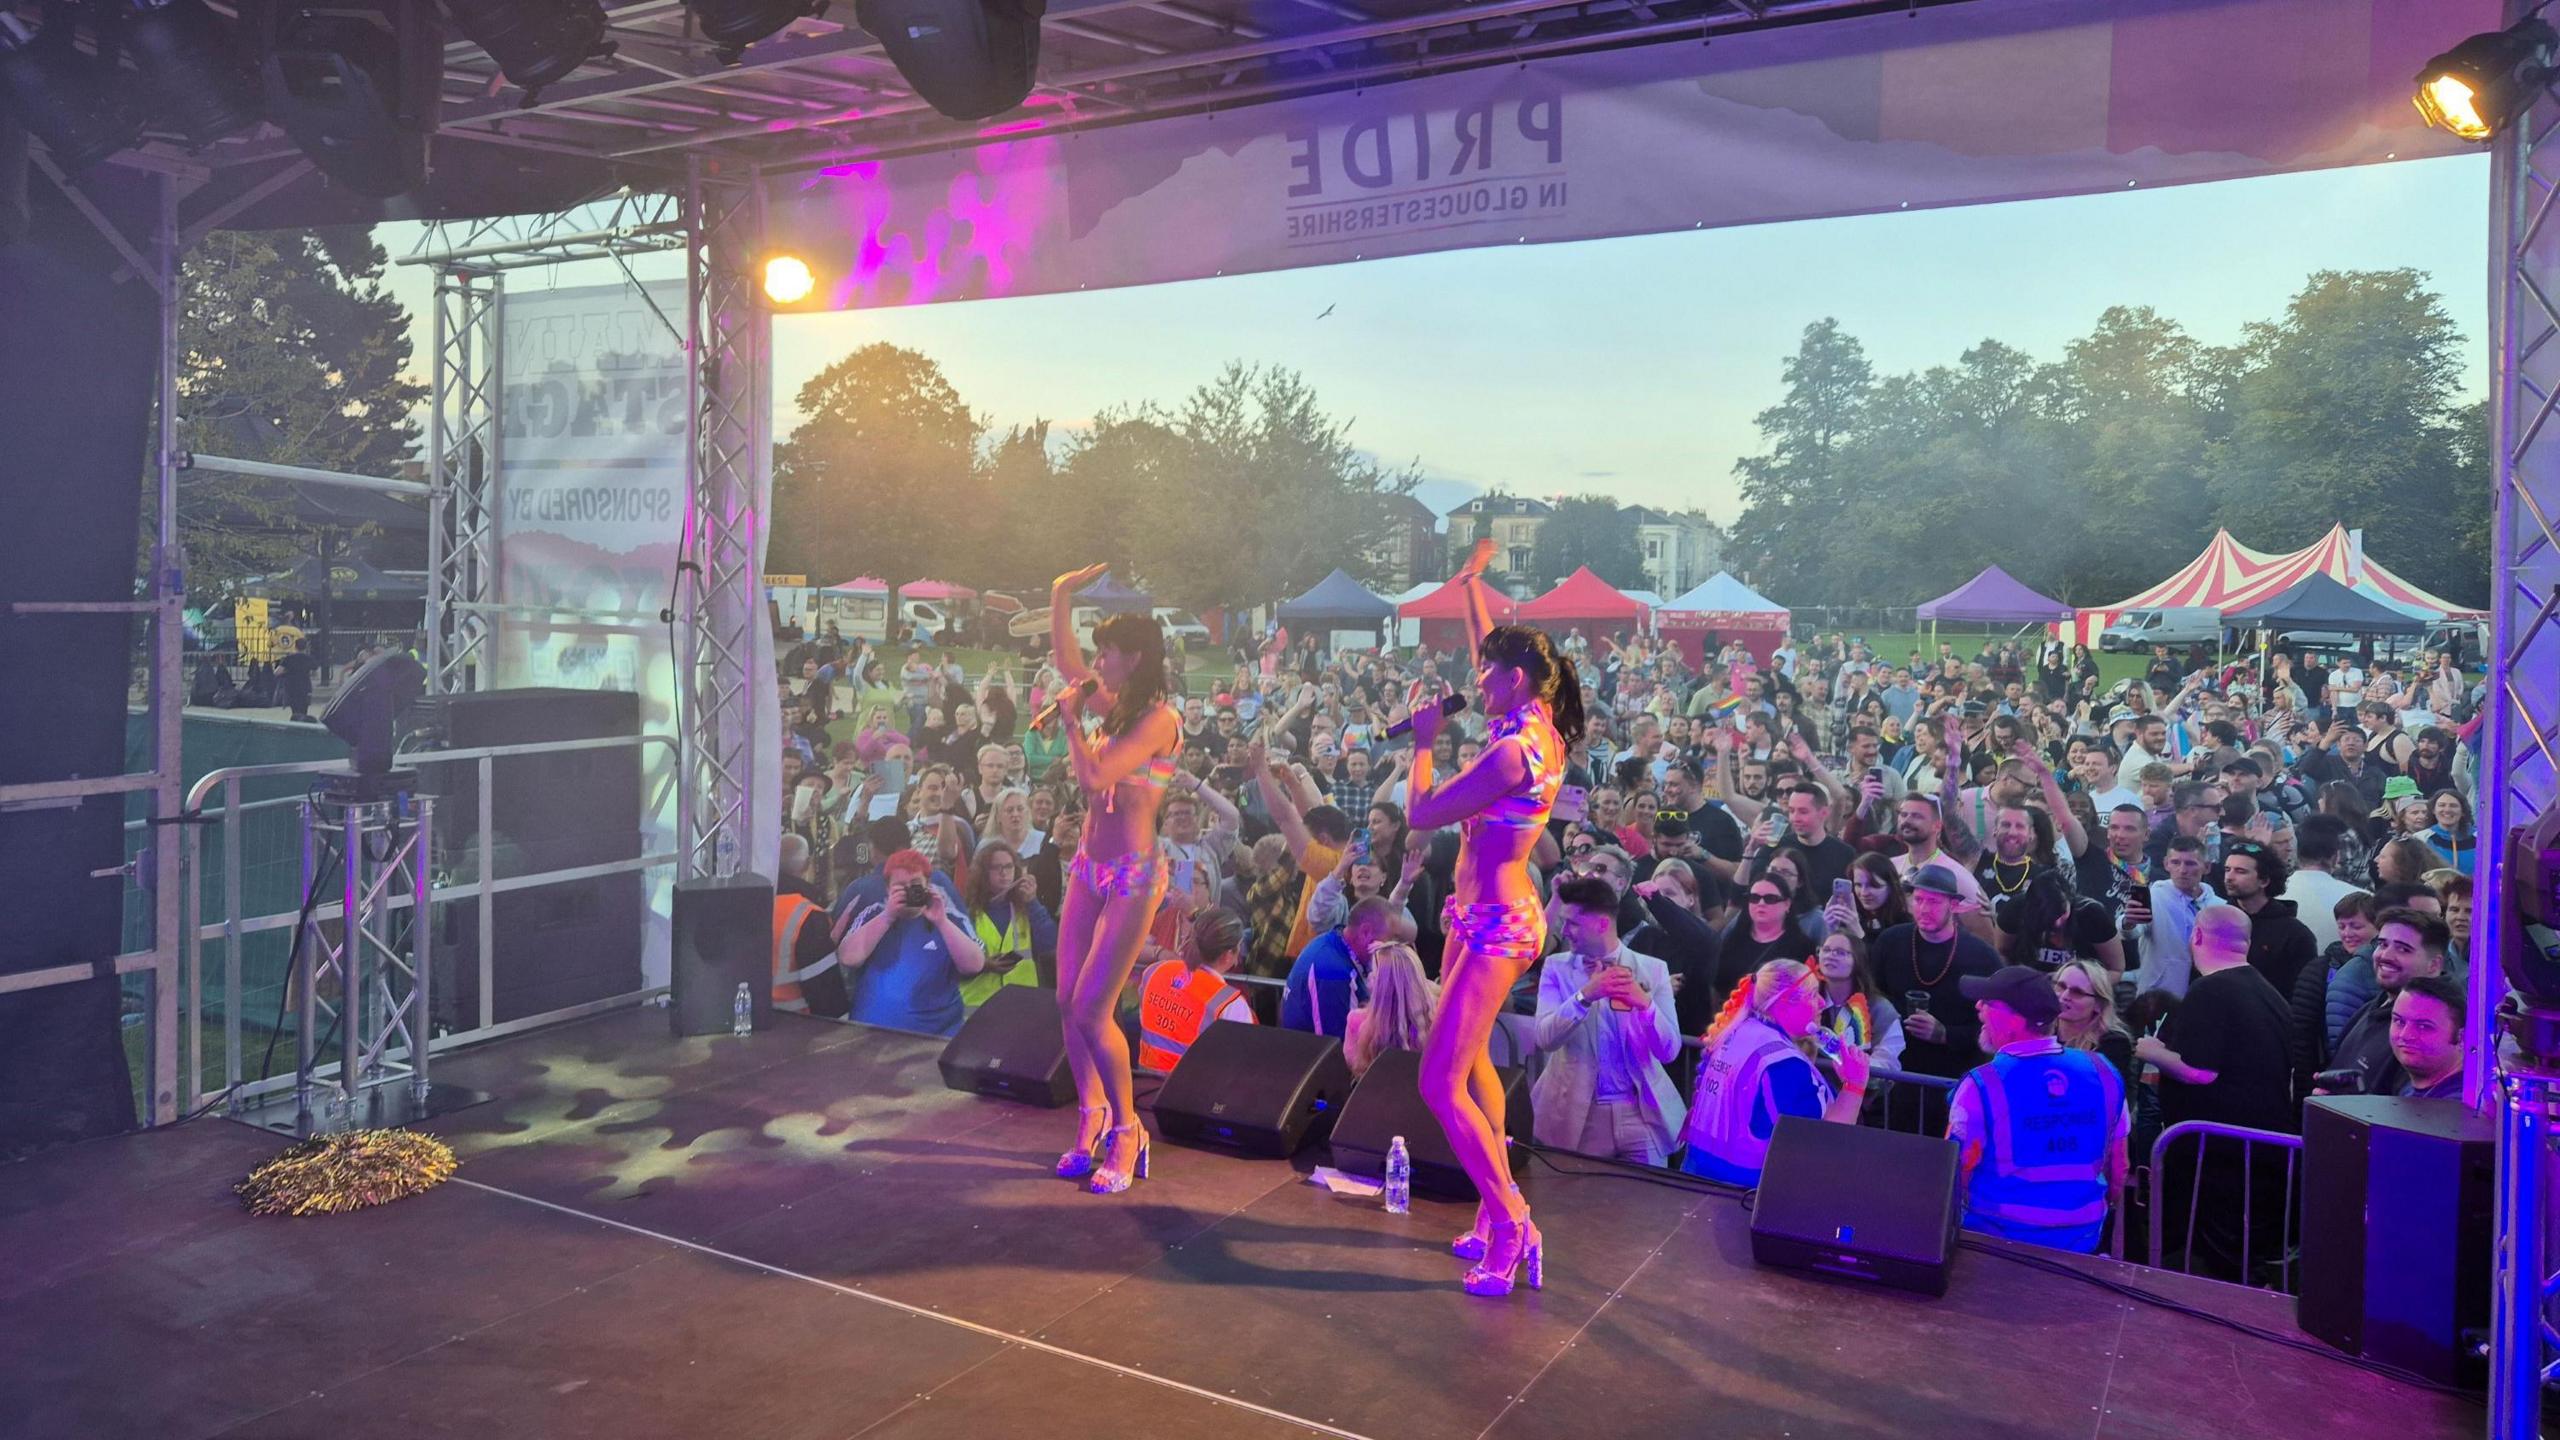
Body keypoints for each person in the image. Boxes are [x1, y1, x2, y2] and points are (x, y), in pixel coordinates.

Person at [1405, 548, 1579, 1299]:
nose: (1473, 682)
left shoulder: (1511, 753)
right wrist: (1474, 588)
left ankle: (1512, 1224)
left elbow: (1420, 814)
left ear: (1512, 680)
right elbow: (1501, 644)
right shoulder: (1538, 722)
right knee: (1475, 1066)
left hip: (1495, 927)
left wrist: (1420, 744)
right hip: (1487, 914)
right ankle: (1492, 1204)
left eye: (1484, 672)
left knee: (1439, 1081)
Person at [1045, 565, 1185, 1195]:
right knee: (1064, 1001)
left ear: (1133, 658)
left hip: (1132, 876)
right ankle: (1090, 1114)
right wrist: (1059, 595)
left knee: (1092, 1006)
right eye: (1097, 649)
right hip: (1088, 865)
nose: (1096, 660)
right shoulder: (1116, 701)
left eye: (1107, 651)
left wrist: (1072, 723)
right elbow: (1070, 664)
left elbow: (1096, 778)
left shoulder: (1157, 720)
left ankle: (1128, 1128)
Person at [2134, 905, 2296, 1283]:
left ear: (2197, 936)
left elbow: (2201, 1072)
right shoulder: (2268, 992)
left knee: (2217, 1262)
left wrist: (2152, 1051)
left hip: (2219, 1156)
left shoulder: (2211, 991)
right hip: (2258, 1150)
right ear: (2248, 944)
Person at [1945, 966, 2131, 1255]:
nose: (1978, 1006)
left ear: (2017, 1020)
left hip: (1993, 1242)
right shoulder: (2103, 1071)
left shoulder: (1981, 1084)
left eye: (1990, 1003)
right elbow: (2119, 1166)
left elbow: (1954, 1174)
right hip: (2081, 1241)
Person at [1526, 876, 1687, 1167]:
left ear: (1601, 924)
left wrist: (1646, 1005)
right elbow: (1545, 1037)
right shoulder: (1556, 968)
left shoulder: (1653, 969)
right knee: (1582, 1207)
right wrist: (1585, 995)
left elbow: (1669, 1051)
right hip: (1578, 1114)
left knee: (1650, 1206)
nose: (1564, 931)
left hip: (1640, 1112)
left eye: (1572, 923)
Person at [1679, 958, 1871, 1185]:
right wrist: (1855, 1086)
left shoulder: (1735, 1033)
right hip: (1744, 1196)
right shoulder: (1782, 1064)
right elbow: (1825, 1143)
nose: (1821, 1003)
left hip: (1697, 1181)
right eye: (1811, 995)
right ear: (1784, 1002)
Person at [1868, 865, 2002, 1134]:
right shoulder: (1891, 942)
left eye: (1933, 901)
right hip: (1894, 1079)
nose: (1924, 908)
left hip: (1951, 1084)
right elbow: (1870, 1001)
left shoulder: (1981, 957)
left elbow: (1994, 1028)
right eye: (1918, 899)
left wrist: (1945, 1034)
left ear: (1953, 904)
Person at [833, 848, 990, 1037]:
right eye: (900, 886)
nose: (908, 891)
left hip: (935, 1036)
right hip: (873, 1034)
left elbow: (974, 965)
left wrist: (941, 922)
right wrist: (888, 916)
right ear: (887, 889)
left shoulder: (950, 918)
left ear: (928, 885)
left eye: (915, 884)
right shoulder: (873, 913)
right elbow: (848, 958)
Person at [2318, 907, 2451, 1097]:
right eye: (2382, 944)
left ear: (2434, 965)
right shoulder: (2373, 1007)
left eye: (2403, 949)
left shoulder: (2430, 1029)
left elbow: (2410, 1112)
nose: (2385, 956)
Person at [1134, 907, 1254, 1072]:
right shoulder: (1231, 1004)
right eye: (1239, 946)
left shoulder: (1154, 972)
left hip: (1145, 1087)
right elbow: (1237, 1064)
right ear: (1227, 955)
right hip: (1191, 1093)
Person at [1281, 897, 1399, 1037]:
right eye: (1390, 939)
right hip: (1307, 1055)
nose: (1392, 947)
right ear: (1365, 932)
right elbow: (1341, 1048)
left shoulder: (1332, 941)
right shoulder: (1333, 974)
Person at [962, 840, 1055, 1003]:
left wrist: (1033, 902)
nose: (1003, 872)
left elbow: (1049, 944)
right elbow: (952, 962)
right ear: (982, 872)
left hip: (1021, 1005)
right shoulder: (967, 911)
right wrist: (983, 965)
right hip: (979, 1008)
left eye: (1008, 866)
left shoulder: (1025, 907)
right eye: (995, 867)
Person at [771, 832, 849, 1020]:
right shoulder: (808, 916)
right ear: (807, 865)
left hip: (757, 1019)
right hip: (797, 1025)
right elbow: (824, 989)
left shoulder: (755, 902)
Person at [1344, 941, 1438, 1078]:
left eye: (1373, 973)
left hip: (1376, 1095)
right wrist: (1392, 957)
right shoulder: (1439, 1017)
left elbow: (1353, 1066)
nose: (1369, 977)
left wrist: (1387, 958)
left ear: (1382, 985)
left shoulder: (1357, 1022)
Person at [2386, 975, 2467, 1100]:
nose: (2405, 1035)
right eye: (2399, 1021)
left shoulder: (2458, 1105)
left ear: (2462, 1037)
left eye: (2423, 1026)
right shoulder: (2410, 1088)